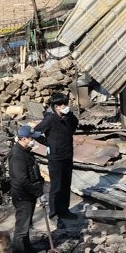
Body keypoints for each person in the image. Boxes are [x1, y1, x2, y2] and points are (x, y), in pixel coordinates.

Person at [34, 93, 78, 223]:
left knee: (66, 184)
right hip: (55, 157)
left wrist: (69, 116)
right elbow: (35, 132)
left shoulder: (68, 118)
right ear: (55, 107)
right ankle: (54, 213)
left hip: (67, 155)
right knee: (56, 186)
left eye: (65, 104)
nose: (64, 106)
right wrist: (47, 143)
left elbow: (74, 127)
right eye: (60, 105)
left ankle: (65, 210)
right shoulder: (50, 120)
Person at [9, 124, 44, 253]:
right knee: (21, 230)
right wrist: (36, 191)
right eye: (31, 138)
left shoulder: (25, 152)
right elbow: (20, 180)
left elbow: (33, 172)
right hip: (23, 196)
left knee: (27, 226)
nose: (33, 141)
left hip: (28, 194)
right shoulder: (17, 156)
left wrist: (40, 185)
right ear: (23, 139)